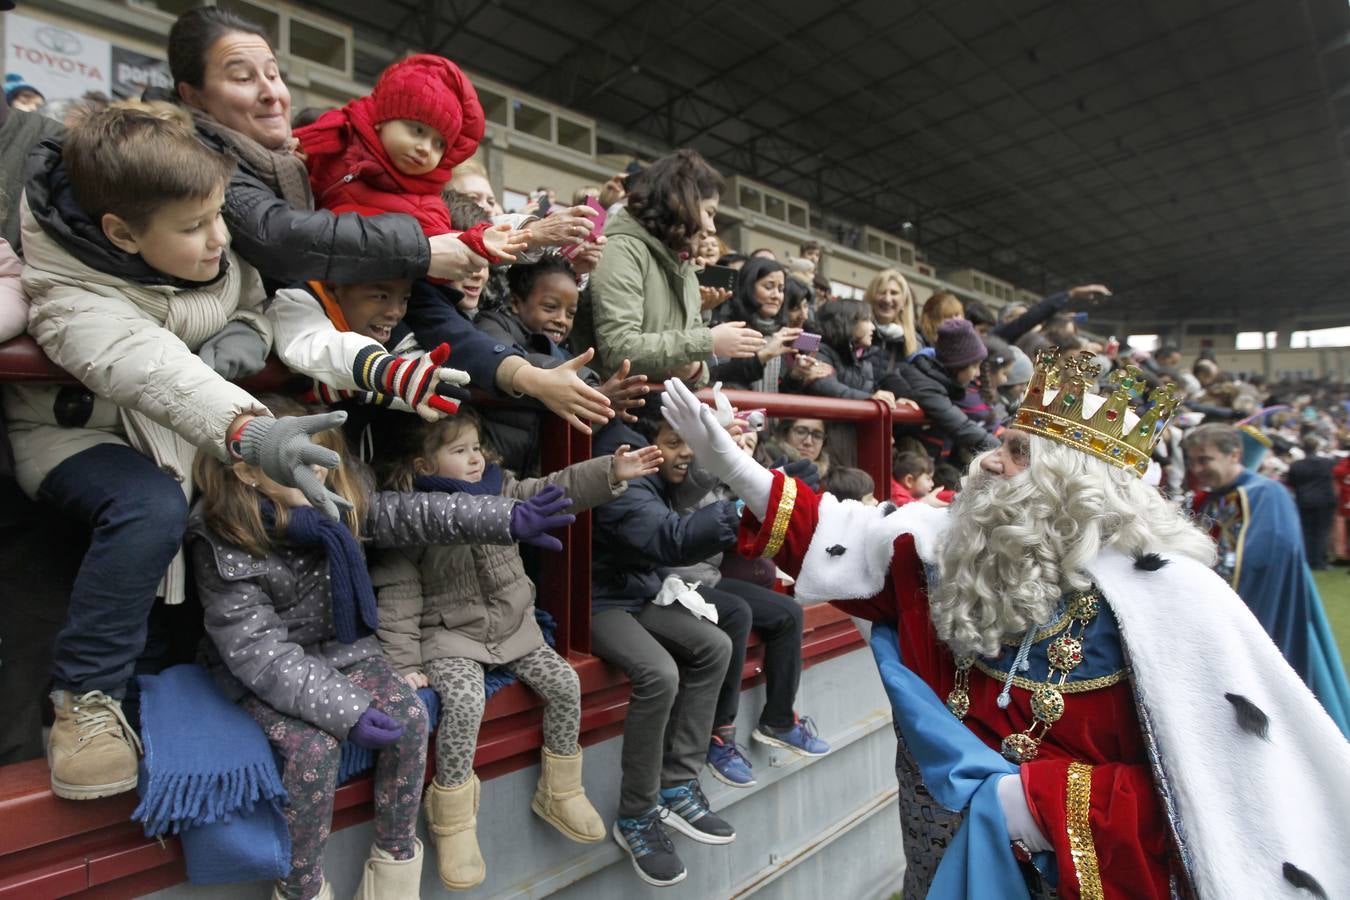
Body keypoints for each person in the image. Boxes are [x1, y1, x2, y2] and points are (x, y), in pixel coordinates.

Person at [659, 360, 1350, 900]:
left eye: (1016, 451)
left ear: (1071, 486)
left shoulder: (1171, 600)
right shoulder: (955, 549)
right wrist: (738, 469)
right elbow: (850, 537)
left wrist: (1038, 804)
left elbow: (1217, 797)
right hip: (948, 854)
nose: (989, 459)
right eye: (1000, 441)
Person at [3, 103, 349, 800]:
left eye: (220, 214)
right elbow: (148, 364)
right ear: (120, 233)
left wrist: (246, 333)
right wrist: (254, 431)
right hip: (80, 436)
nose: (219, 238)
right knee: (148, 508)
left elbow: (251, 296)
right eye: (194, 227)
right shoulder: (68, 287)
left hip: (176, 437)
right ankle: (85, 702)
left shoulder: (203, 245)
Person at [189, 395, 574, 900]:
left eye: (321, 461)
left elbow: (419, 514)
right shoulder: (225, 539)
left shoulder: (338, 506)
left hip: (344, 650)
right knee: (314, 749)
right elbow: (259, 654)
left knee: (410, 719)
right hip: (261, 673)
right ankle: (300, 885)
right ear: (247, 474)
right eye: (296, 466)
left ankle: (393, 867)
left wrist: (506, 518)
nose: (317, 476)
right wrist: (346, 710)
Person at [369, 409, 660, 889]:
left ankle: (561, 788)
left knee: (566, 682)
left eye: (476, 447)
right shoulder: (412, 517)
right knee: (464, 701)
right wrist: (404, 664)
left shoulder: (500, 488)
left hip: (513, 628)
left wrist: (610, 472)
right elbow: (399, 597)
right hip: (450, 635)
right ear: (424, 466)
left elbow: (553, 489)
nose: (474, 458)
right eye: (458, 451)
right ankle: (454, 816)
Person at [168, 7, 493, 288]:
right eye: (242, 78)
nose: (271, 93)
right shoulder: (189, 157)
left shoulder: (295, 157)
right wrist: (420, 248)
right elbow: (276, 234)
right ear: (193, 96)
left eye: (273, 74)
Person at [628, 408, 827, 792]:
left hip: (708, 578)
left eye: (746, 443)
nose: (684, 452)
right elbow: (694, 505)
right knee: (736, 612)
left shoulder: (718, 477)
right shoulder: (659, 478)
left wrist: (776, 486)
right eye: (674, 444)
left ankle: (779, 720)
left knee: (786, 612)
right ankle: (720, 734)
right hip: (670, 584)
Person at [590, 415, 738, 887]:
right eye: (671, 442)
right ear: (646, 442)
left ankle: (676, 782)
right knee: (660, 673)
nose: (682, 452)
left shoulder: (653, 468)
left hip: (636, 591)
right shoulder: (620, 463)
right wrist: (740, 509)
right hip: (595, 602)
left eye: (685, 443)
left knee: (716, 644)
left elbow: (684, 491)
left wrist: (725, 459)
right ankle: (635, 814)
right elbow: (666, 537)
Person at [1184, 423, 1350, 734]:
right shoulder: (1207, 500)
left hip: (1263, 608)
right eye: (1192, 461)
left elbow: (1264, 559)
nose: (1197, 469)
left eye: (1204, 460)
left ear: (1234, 454)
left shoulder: (1266, 493)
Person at [292, 53, 519, 264]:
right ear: (382, 119)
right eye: (417, 131)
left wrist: (478, 241)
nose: (425, 149)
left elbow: (443, 247)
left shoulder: (427, 204)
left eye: (439, 144)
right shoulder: (338, 135)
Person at [574, 149, 763, 384]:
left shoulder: (686, 266)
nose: (712, 227)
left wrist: (692, 367)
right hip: (612, 411)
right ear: (681, 204)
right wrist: (707, 342)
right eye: (709, 212)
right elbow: (619, 349)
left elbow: (699, 375)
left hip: (660, 411)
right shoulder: (622, 249)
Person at [896, 318, 1001, 462]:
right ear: (958, 365)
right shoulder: (925, 384)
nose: (978, 373)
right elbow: (960, 426)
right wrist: (1002, 449)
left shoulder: (943, 379)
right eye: (974, 366)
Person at [711, 257, 802, 391]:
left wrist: (795, 376)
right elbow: (713, 374)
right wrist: (763, 356)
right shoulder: (726, 327)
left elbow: (779, 396)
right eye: (768, 287)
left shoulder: (778, 335)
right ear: (748, 287)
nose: (776, 295)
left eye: (781, 289)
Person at [1286, 433, 1339, 570]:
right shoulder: (1327, 462)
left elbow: (1292, 482)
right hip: (1325, 500)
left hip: (1305, 500)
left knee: (1306, 530)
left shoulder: (1296, 465)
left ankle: (1308, 559)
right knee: (1322, 531)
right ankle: (1319, 560)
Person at [863, 268, 919, 373]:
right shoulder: (854, 334)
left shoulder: (915, 344)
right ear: (871, 297)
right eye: (882, 292)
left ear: (904, 302)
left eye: (894, 293)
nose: (887, 299)